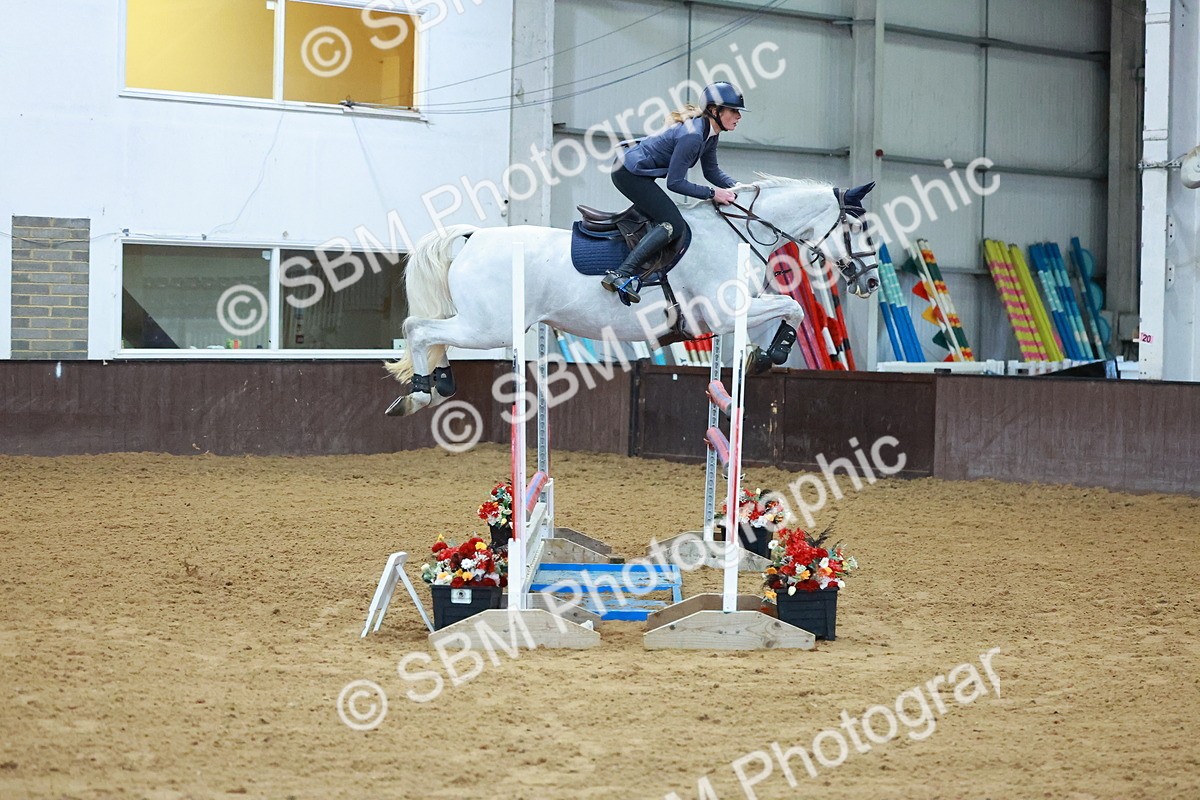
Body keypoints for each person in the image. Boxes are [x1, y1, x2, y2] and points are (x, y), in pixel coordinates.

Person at [600, 81, 746, 301]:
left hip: (635, 170)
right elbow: (675, 183)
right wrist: (712, 194)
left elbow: (712, 171)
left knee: (667, 218)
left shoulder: (710, 133)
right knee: (673, 224)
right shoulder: (693, 136)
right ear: (715, 111)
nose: (738, 116)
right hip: (628, 172)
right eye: (734, 110)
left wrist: (740, 188)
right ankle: (621, 274)